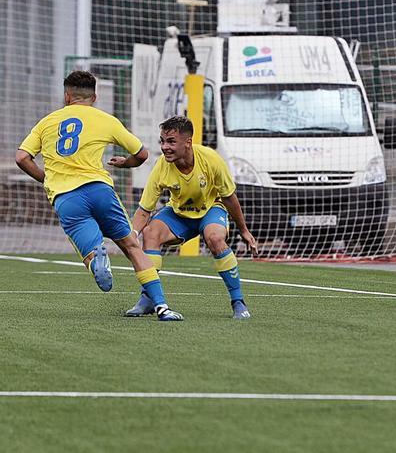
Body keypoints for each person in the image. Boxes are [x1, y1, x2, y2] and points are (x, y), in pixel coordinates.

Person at [15, 71, 183, 321]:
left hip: (66, 197)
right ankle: (162, 307)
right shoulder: (107, 120)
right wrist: (125, 163)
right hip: (100, 190)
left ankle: (96, 260)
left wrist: (46, 178)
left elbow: (21, 157)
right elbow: (143, 154)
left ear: (66, 95)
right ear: (94, 96)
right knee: (131, 246)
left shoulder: (47, 122)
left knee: (89, 252)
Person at [124, 115, 259, 320]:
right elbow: (145, 209)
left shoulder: (211, 159)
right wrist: (133, 233)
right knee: (150, 233)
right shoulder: (161, 166)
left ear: (188, 142)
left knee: (214, 238)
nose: (165, 147)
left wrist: (244, 231)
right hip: (179, 214)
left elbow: (229, 198)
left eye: (171, 141)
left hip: (211, 209)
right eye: (162, 141)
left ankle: (238, 302)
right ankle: (148, 299)